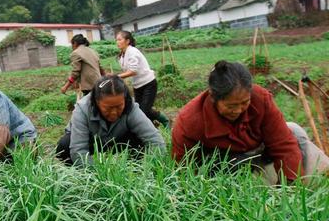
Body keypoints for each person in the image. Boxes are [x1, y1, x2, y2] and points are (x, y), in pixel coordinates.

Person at [172, 60, 329, 183]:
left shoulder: (261, 99)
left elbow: (283, 145)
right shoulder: (189, 120)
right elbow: (183, 169)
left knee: (294, 131)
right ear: (213, 97)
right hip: (227, 168)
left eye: (244, 103)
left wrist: (290, 189)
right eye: (231, 106)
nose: (239, 110)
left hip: (260, 153)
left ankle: (315, 177)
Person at [56, 75, 166, 166]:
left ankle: (133, 168)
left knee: (140, 138)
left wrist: (151, 167)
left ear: (125, 101)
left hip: (118, 139)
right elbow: (78, 150)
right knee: (64, 145)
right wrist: (101, 177)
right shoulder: (83, 108)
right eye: (108, 108)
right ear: (96, 102)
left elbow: (154, 140)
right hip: (92, 141)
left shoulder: (130, 106)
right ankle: (81, 178)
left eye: (119, 107)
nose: (114, 113)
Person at [116, 30, 169, 127]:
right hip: (137, 85)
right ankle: (154, 124)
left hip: (148, 83)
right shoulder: (121, 56)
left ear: (127, 41)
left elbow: (133, 71)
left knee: (143, 112)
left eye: (120, 39)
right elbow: (127, 71)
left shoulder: (132, 52)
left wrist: (116, 76)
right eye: (116, 40)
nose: (117, 42)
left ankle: (164, 120)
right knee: (140, 111)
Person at [60, 34, 102, 99]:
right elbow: (100, 68)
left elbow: (75, 72)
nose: (72, 47)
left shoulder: (76, 53)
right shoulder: (92, 51)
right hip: (99, 83)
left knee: (90, 106)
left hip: (89, 86)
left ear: (75, 43)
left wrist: (65, 86)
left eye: (72, 44)